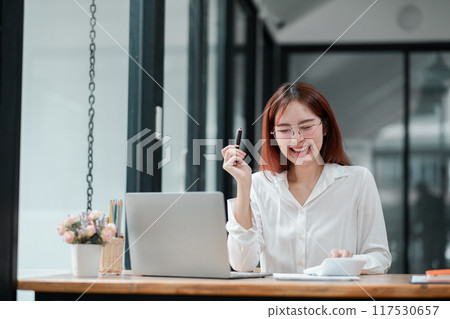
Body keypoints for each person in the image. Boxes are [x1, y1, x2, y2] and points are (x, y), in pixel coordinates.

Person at [221, 82, 391, 274]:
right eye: (285, 130)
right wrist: (244, 185)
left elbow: (380, 257)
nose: (296, 139)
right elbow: (242, 264)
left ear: (325, 127)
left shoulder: (358, 181)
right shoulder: (260, 185)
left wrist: (351, 262)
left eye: (306, 126)